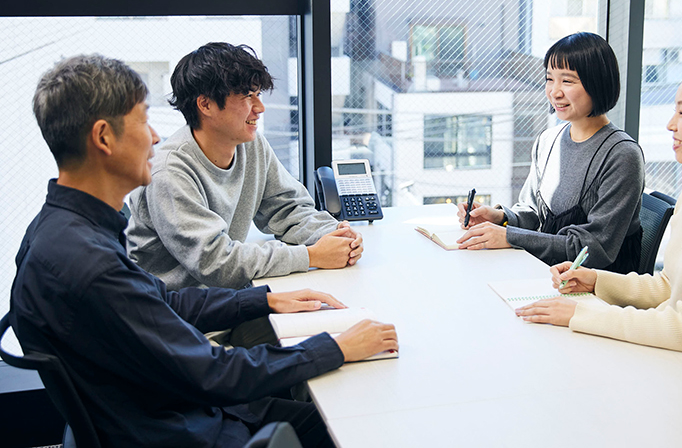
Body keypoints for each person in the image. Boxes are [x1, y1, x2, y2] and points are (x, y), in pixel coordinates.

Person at [9, 55, 398, 447]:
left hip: (173, 407)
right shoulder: (88, 264)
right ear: (103, 138)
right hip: (188, 424)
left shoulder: (64, 232)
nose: (157, 137)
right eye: (144, 121)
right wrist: (335, 347)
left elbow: (164, 303)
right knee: (353, 422)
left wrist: (264, 300)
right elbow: (215, 373)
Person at [516, 58, 682, 391]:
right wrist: (596, 279)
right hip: (669, 363)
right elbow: (669, 288)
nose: (672, 124)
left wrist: (578, 315)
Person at [127, 43, 360, 345]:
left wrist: (335, 233)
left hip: (231, 306)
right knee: (323, 337)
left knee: (335, 322)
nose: (259, 108)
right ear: (206, 105)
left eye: (258, 94)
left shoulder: (251, 145)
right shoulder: (169, 171)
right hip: (182, 328)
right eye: (246, 96)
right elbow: (215, 262)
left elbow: (287, 208)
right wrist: (312, 255)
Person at [456, 32, 645, 273]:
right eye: (549, 79)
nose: (554, 92)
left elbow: (595, 248)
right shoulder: (549, 140)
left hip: (592, 288)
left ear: (598, 82)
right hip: (545, 271)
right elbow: (534, 213)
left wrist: (510, 237)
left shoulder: (622, 155)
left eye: (567, 81)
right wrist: (498, 217)